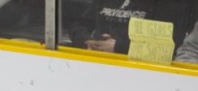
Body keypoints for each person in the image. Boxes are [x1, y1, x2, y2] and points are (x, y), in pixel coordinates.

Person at [69, 0, 197, 54]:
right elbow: (79, 24)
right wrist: (87, 42)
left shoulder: (171, 5)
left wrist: (118, 47)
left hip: (142, 73)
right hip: (96, 62)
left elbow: (169, 46)